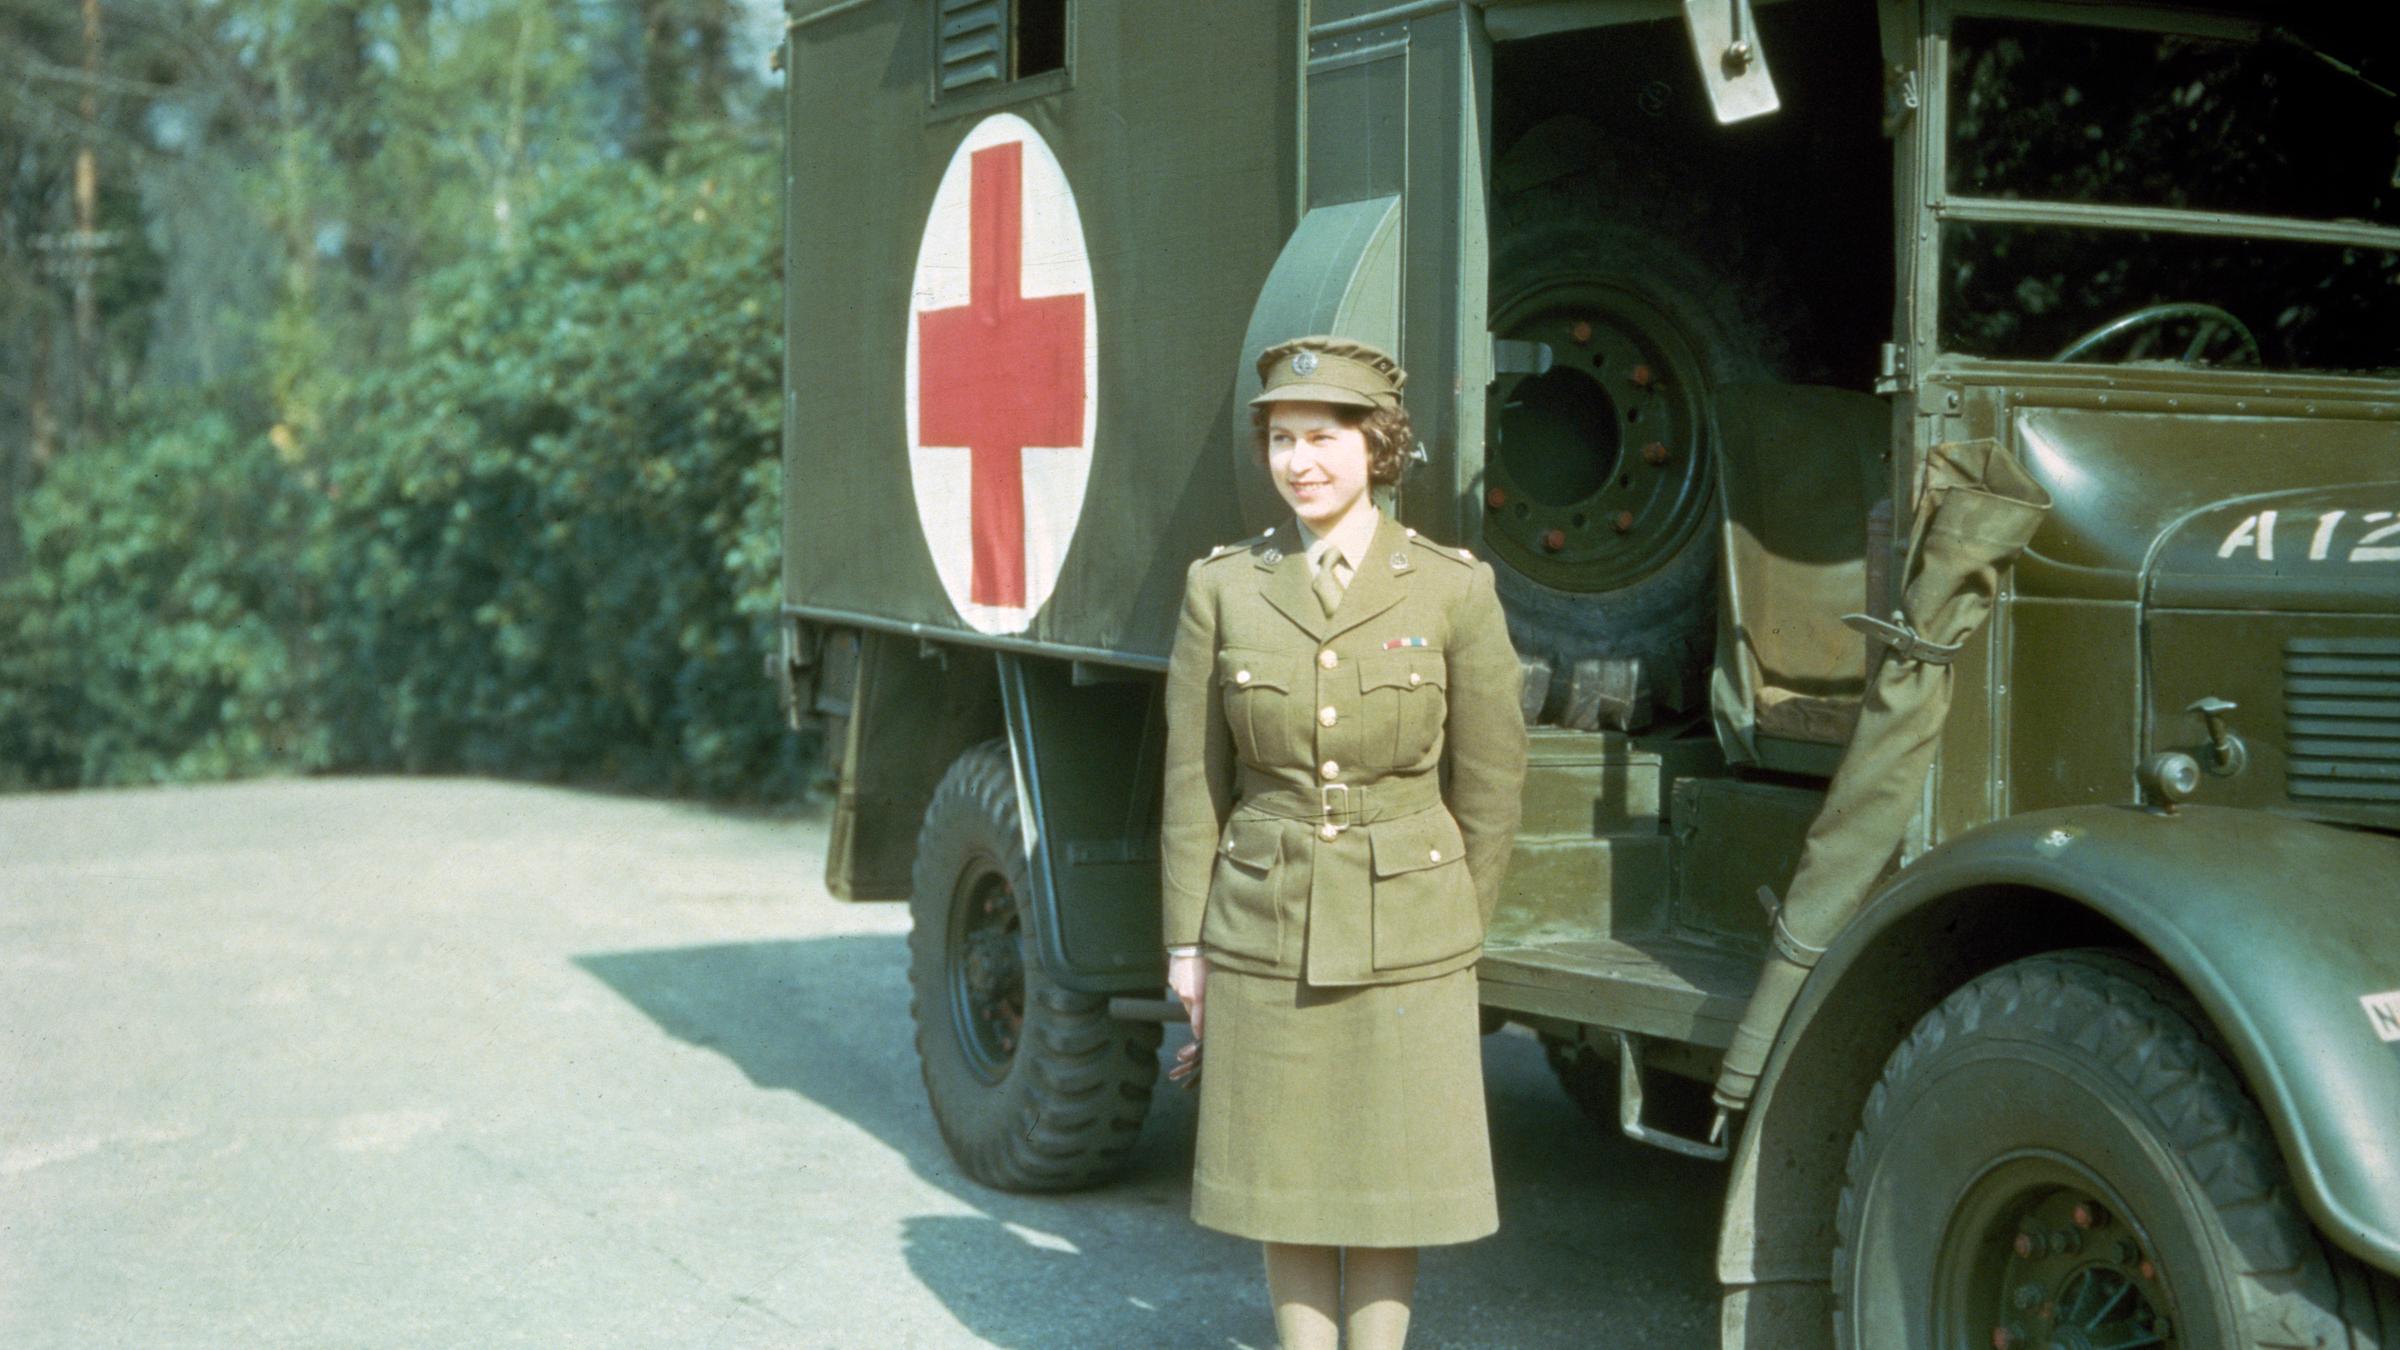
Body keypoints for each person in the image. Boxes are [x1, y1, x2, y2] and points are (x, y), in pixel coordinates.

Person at [1160, 336, 1528, 1349]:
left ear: (1379, 447)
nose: (1300, 461)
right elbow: (1195, 785)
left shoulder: (1451, 590)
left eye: (1324, 437)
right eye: (1282, 439)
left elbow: (1492, 787)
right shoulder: (1226, 589)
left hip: (1409, 925)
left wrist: (1454, 918)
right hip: (1264, 920)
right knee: (1286, 1177)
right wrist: (1187, 950)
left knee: (1388, 1179)